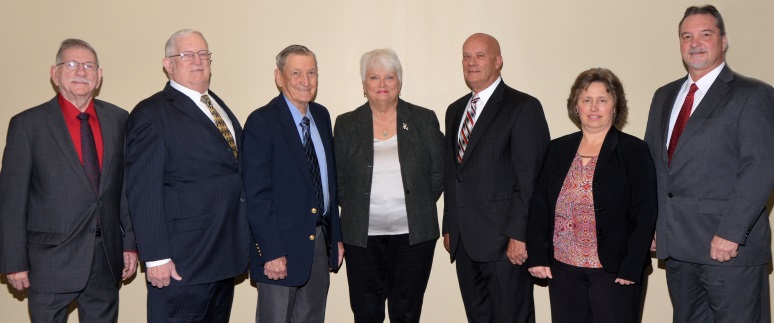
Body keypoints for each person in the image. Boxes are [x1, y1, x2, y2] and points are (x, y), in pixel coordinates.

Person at [644, 5, 774, 323]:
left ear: (723, 40)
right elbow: (653, 166)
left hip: (729, 251)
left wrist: (731, 233)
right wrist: (652, 224)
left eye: (705, 34)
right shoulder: (664, 96)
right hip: (678, 248)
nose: (695, 43)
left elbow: (760, 167)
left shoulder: (753, 94)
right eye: (687, 36)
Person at [0, 38, 137, 322]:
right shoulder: (27, 125)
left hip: (105, 263)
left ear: (99, 76)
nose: (81, 72)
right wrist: (14, 262)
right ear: (55, 73)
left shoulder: (119, 120)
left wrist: (129, 244)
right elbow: (12, 201)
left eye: (89, 66)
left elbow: (124, 190)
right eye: (71, 64)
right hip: (49, 264)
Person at [124, 29, 249, 322]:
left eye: (203, 54)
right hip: (182, 262)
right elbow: (144, 191)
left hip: (223, 255)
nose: (197, 60)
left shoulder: (216, 104)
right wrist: (156, 257)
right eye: (186, 54)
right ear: (168, 64)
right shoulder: (151, 114)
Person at [526, 68, 657, 323]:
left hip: (615, 271)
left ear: (615, 106)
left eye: (602, 100)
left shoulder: (634, 150)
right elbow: (539, 205)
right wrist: (538, 255)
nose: (594, 107)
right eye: (586, 100)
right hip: (563, 270)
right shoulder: (557, 149)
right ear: (576, 106)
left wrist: (632, 265)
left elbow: (646, 211)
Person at [442, 32, 550, 322]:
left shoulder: (523, 107)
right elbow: (454, 174)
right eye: (466, 56)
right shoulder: (455, 111)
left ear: (498, 61)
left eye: (480, 55)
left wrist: (519, 234)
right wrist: (450, 225)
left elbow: (531, 180)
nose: (471, 62)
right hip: (465, 243)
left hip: (505, 245)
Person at [334, 48, 444, 323]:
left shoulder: (423, 119)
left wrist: (414, 204)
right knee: (366, 312)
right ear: (363, 85)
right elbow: (339, 181)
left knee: (406, 312)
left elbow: (438, 174)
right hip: (362, 239)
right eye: (374, 77)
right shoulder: (346, 124)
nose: (382, 84)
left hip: (413, 238)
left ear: (399, 82)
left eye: (389, 77)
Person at [242, 44, 344, 323]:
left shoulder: (321, 116)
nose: (305, 80)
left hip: (319, 246)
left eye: (311, 72)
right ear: (279, 77)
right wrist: (272, 252)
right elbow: (257, 195)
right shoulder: (261, 122)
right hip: (280, 250)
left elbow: (329, 185)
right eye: (296, 73)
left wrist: (336, 238)